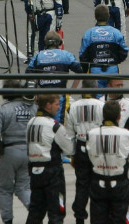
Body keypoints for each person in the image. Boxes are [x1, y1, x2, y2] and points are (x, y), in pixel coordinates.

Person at [0, 79, 35, 224]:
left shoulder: (3, 109)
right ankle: (35, 212)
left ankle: (8, 220)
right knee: (24, 188)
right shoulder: (32, 107)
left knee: (5, 189)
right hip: (30, 152)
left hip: (10, 152)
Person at [26, 93, 75, 224]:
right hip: (52, 173)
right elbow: (69, 149)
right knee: (56, 214)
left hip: (34, 173)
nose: (59, 107)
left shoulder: (30, 122)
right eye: (57, 104)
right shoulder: (54, 125)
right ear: (48, 105)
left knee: (35, 213)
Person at [86, 100, 129, 224]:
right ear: (119, 117)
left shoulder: (90, 134)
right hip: (119, 184)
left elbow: (90, 156)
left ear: (103, 116)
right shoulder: (127, 135)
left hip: (98, 183)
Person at [65, 80, 104, 224]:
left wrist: (72, 154)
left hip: (81, 146)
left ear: (82, 89)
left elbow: (69, 133)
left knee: (82, 184)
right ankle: (97, 217)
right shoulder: (102, 106)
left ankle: (79, 217)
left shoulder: (73, 107)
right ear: (95, 89)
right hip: (97, 147)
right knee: (98, 183)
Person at [27, 31, 82, 122]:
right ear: (60, 43)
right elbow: (80, 71)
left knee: (42, 123)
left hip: (43, 96)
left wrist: (36, 93)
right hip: (59, 96)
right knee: (58, 126)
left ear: (45, 43)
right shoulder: (66, 55)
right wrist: (72, 90)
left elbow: (29, 75)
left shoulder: (38, 56)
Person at [79, 5, 129, 88]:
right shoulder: (116, 32)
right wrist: (115, 61)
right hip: (112, 70)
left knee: (97, 99)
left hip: (95, 70)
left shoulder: (89, 33)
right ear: (108, 16)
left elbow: (82, 55)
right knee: (114, 97)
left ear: (95, 17)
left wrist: (85, 70)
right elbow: (124, 51)